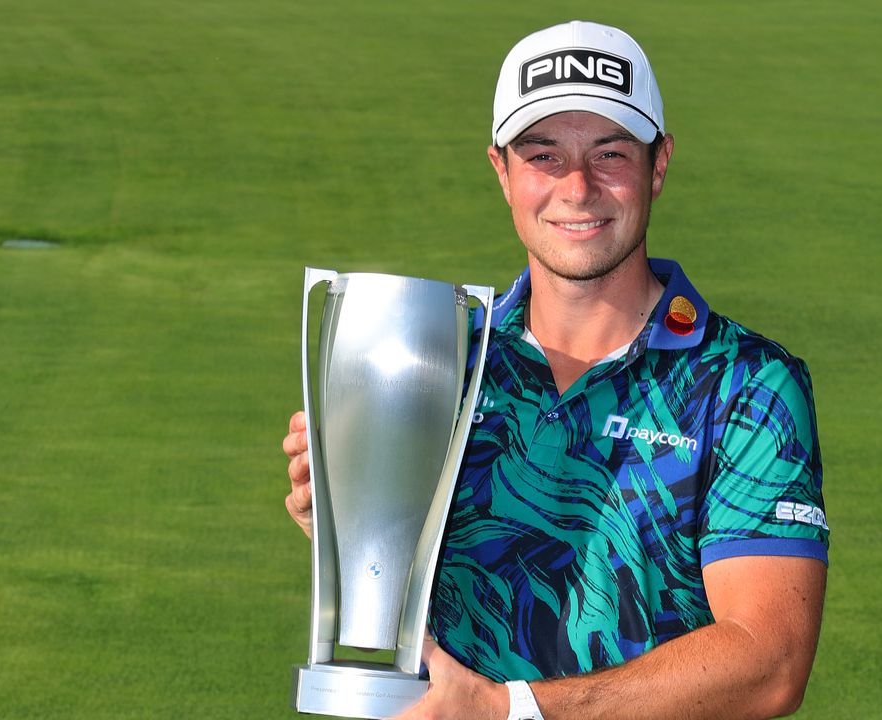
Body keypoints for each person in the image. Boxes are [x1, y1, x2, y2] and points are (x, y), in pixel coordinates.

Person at [282, 20, 829, 720]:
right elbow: (408, 607)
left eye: (610, 154)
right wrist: (346, 517)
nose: (577, 187)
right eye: (544, 155)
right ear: (501, 171)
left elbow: (769, 662)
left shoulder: (746, 386)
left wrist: (512, 710)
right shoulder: (441, 359)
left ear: (659, 164)